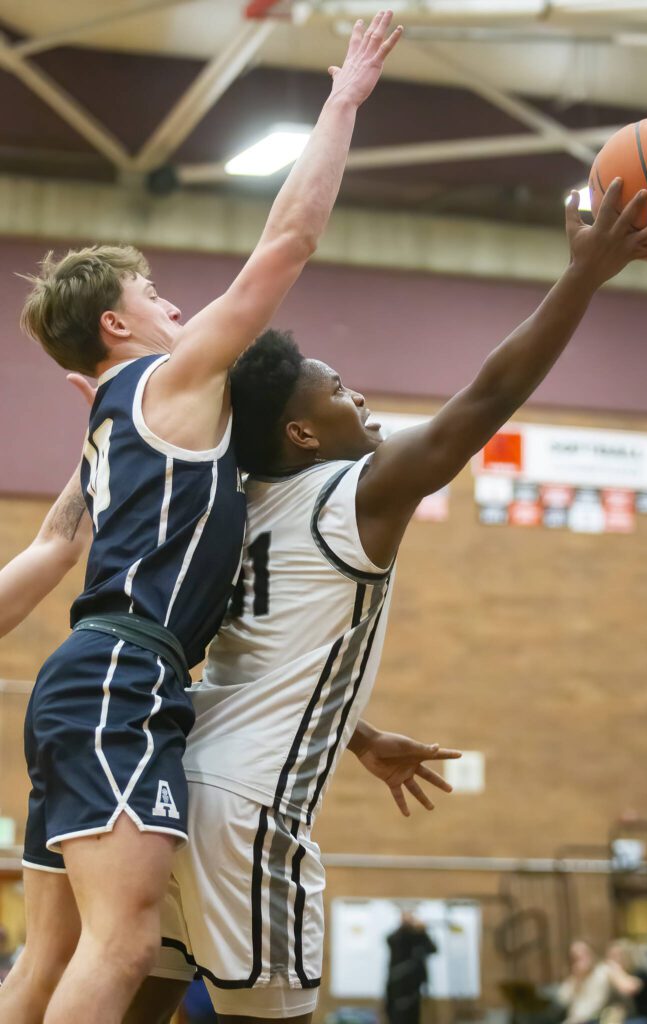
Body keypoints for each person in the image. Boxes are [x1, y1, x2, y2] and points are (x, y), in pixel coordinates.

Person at [0, 176, 647, 1021]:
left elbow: (258, 656)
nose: (359, 399)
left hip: (177, 774)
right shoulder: (359, 494)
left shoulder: (230, 507)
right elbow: (489, 397)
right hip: (249, 806)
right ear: (301, 433)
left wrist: (354, 733)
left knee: (137, 998)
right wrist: (584, 274)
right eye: (338, 388)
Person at [0, 12, 403, 1024]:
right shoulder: (164, 383)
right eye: (161, 300)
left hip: (80, 682)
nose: (184, 312)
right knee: (126, 942)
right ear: (118, 326)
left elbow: (54, 544)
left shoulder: (107, 430)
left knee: (43, 963)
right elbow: (289, 240)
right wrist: (343, 98)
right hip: (121, 682)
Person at [385, 912, 437, 1024]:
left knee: (412, 1015)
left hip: (413, 984)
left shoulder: (418, 937)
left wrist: (423, 932)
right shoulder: (396, 937)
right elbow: (391, 940)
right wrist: (407, 927)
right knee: (397, 1014)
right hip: (397, 984)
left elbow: (433, 949)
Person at [557, 940, 613, 1024]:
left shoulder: (603, 970)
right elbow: (562, 1001)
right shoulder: (573, 979)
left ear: (592, 954)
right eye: (576, 957)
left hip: (596, 1019)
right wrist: (577, 980)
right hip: (574, 1020)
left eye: (584, 954)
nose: (581, 959)